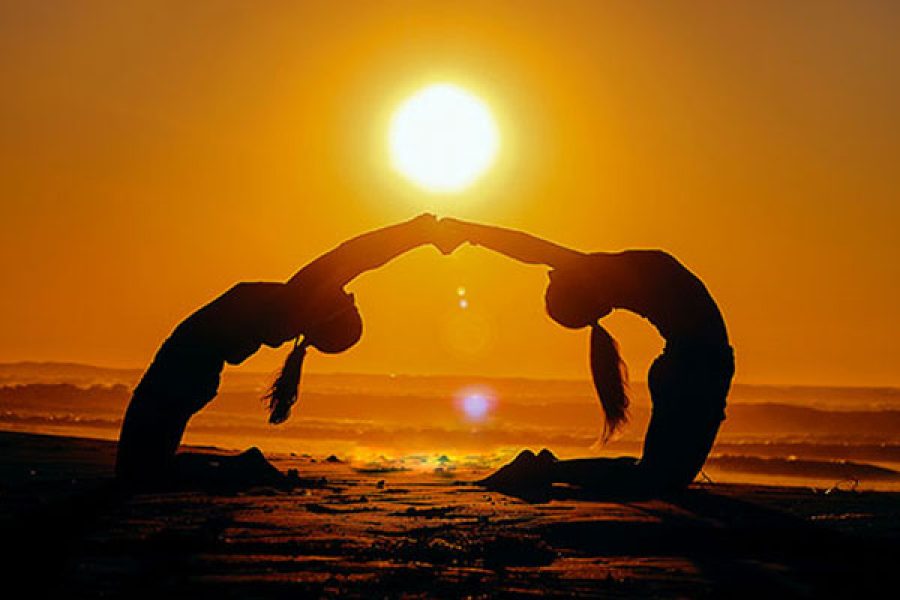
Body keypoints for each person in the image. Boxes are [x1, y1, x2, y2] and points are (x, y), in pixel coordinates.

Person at [115, 214, 459, 489]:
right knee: (144, 472)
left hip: (181, 369)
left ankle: (246, 468)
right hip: (190, 370)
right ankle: (244, 467)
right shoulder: (296, 308)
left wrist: (417, 232)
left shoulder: (301, 300)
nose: (349, 295)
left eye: (351, 304)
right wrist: (417, 234)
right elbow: (359, 257)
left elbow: (358, 254)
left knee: (141, 475)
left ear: (329, 315)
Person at [442, 218, 735, 497]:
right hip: (694, 368)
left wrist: (471, 232)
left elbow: (531, 250)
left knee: (653, 476)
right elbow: (531, 248)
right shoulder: (602, 274)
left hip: (689, 366)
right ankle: (543, 470)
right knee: (654, 479)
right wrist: (470, 232)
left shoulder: (600, 274)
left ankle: (544, 469)